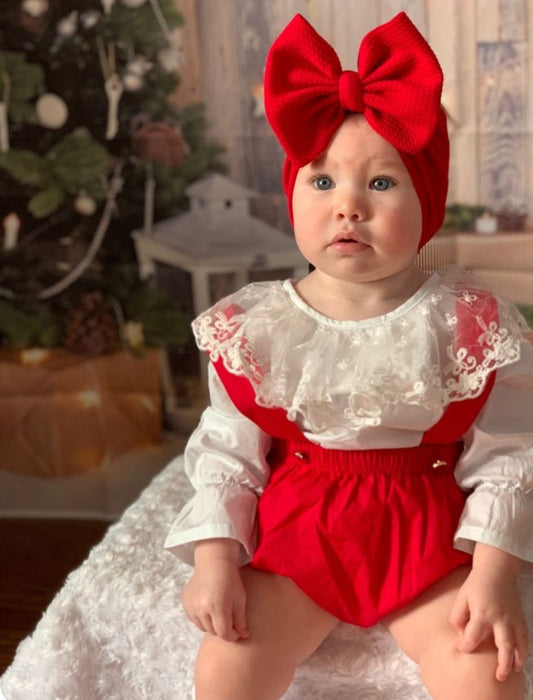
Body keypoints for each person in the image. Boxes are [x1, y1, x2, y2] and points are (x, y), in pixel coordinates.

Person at [165, 12, 533, 700]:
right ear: (293, 196)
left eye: (382, 184)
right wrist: (214, 559)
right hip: (300, 536)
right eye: (322, 182)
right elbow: (228, 449)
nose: (348, 208)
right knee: (226, 669)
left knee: (485, 674)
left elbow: (509, 454)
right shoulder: (260, 325)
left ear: (428, 204)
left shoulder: (467, 321)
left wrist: (492, 573)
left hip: (428, 538)